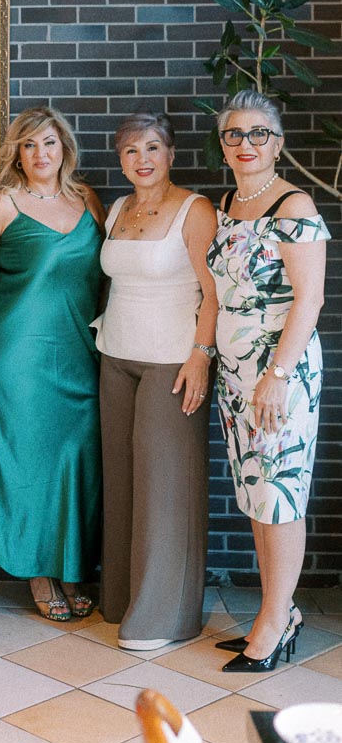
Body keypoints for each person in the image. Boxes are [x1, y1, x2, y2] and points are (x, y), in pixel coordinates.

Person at [0, 105, 105, 619]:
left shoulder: (88, 200)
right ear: (18, 152)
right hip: (18, 353)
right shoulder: (3, 203)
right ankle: (40, 573)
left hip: (80, 351)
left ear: (65, 149)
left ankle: (72, 565)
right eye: (30, 145)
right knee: (29, 460)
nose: (41, 154)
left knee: (77, 458)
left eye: (50, 144)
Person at [207, 89, 328, 673]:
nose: (246, 144)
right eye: (235, 134)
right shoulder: (232, 201)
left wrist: (277, 376)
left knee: (280, 494)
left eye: (259, 134)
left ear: (277, 143)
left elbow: (310, 299)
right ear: (223, 144)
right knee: (258, 493)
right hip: (237, 373)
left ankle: (275, 621)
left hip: (281, 374)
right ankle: (279, 611)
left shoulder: (294, 206)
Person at [94, 111, 218, 651]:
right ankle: (121, 599)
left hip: (173, 360)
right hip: (115, 355)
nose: (141, 160)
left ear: (170, 154)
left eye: (151, 148)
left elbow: (215, 294)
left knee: (164, 487)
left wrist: (200, 357)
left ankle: (163, 616)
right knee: (122, 481)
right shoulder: (118, 209)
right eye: (129, 151)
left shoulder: (195, 209)